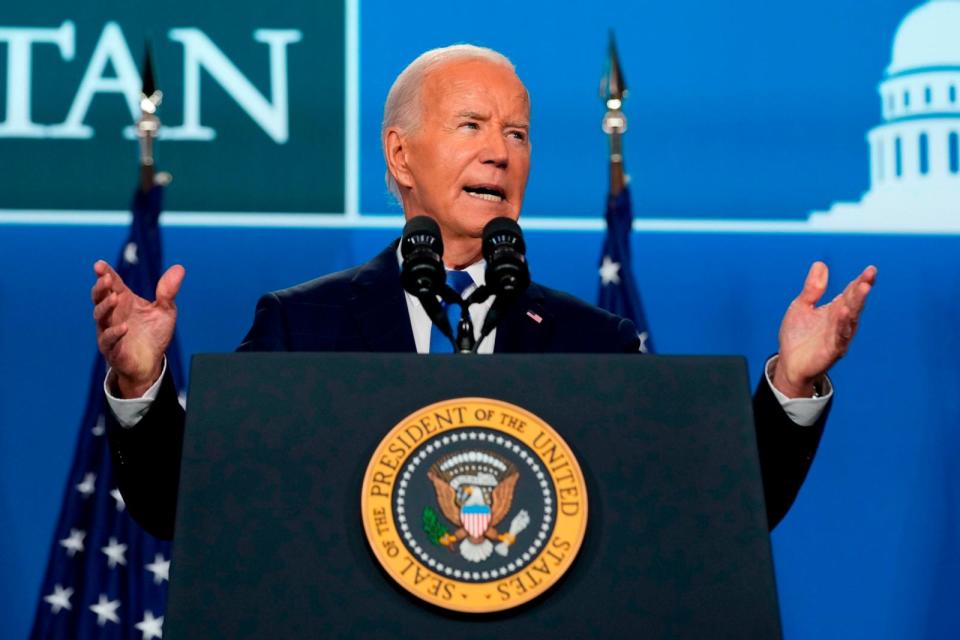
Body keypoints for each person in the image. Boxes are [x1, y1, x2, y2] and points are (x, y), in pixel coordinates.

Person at [90, 45, 876, 541]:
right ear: (401, 156)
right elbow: (190, 511)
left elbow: (709, 517)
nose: (500, 152)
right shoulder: (305, 324)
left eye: (518, 133)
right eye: (472, 125)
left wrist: (791, 385)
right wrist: (140, 385)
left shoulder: (596, 343)